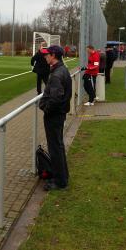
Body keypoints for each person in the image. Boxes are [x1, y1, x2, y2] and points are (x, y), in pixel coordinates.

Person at [38, 45, 71, 191]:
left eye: (47, 54)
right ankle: (63, 177)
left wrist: (45, 107)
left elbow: (56, 98)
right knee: (58, 146)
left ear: (53, 55)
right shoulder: (61, 69)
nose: (45, 57)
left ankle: (60, 181)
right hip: (58, 114)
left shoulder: (58, 73)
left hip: (54, 116)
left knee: (55, 148)